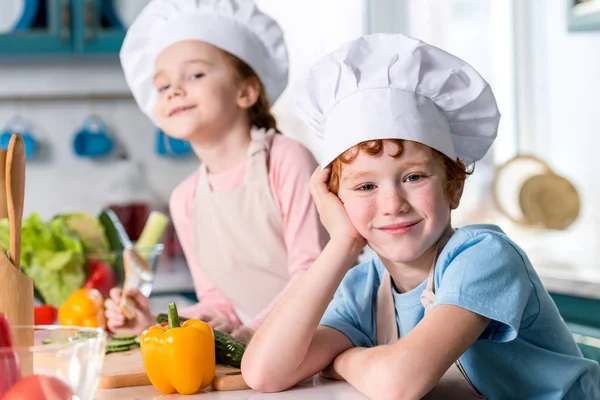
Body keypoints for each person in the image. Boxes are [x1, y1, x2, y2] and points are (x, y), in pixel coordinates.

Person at [241, 33, 600, 399]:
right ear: (335, 199)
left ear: (455, 185)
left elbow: (399, 383)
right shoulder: (364, 288)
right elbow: (264, 373)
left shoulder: (483, 257)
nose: (392, 204)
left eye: (413, 177)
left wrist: (343, 359)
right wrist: (342, 243)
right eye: (365, 187)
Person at [104, 0, 327, 343]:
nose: (174, 90)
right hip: (260, 353)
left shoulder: (286, 160)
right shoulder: (185, 198)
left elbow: (314, 273)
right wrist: (154, 323)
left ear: (246, 91)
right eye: (162, 86)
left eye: (195, 74)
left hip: (324, 337)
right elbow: (218, 305)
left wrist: (251, 333)